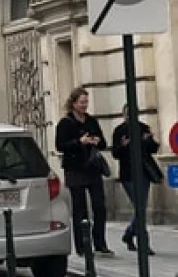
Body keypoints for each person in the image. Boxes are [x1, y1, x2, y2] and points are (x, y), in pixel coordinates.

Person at [55, 87, 113, 257]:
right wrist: (79, 142)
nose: (84, 105)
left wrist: (96, 140)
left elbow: (103, 143)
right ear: (73, 103)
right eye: (82, 102)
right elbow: (60, 146)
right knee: (80, 209)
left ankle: (100, 243)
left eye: (86, 102)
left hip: (93, 169)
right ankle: (82, 246)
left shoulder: (91, 121)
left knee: (100, 206)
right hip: (75, 169)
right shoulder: (65, 123)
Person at [109, 104, 160, 254]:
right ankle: (144, 243)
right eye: (127, 114)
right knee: (139, 207)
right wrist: (123, 145)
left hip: (144, 172)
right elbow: (115, 153)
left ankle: (129, 233)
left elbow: (153, 149)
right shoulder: (119, 131)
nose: (130, 116)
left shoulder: (144, 127)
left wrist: (149, 140)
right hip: (128, 174)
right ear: (123, 115)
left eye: (133, 113)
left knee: (141, 208)